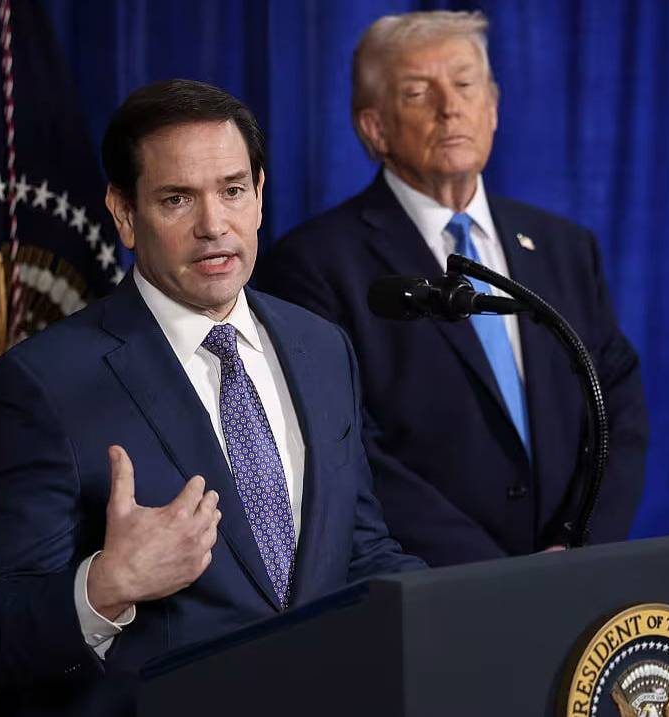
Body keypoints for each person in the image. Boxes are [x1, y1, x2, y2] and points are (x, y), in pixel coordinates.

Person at [0, 79, 423, 716]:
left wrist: (471, 614)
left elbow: (359, 550)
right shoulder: (43, 384)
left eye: (232, 190)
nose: (213, 226)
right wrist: (106, 586)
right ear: (124, 214)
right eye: (177, 199)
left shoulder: (321, 346)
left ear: (260, 195)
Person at [256, 11, 648, 566]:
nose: (450, 107)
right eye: (419, 92)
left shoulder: (564, 247)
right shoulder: (314, 265)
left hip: (573, 573)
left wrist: (579, 544)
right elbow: (347, 450)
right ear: (374, 127)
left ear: (493, 106)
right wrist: (494, 575)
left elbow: (617, 405)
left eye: (465, 84)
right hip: (430, 584)